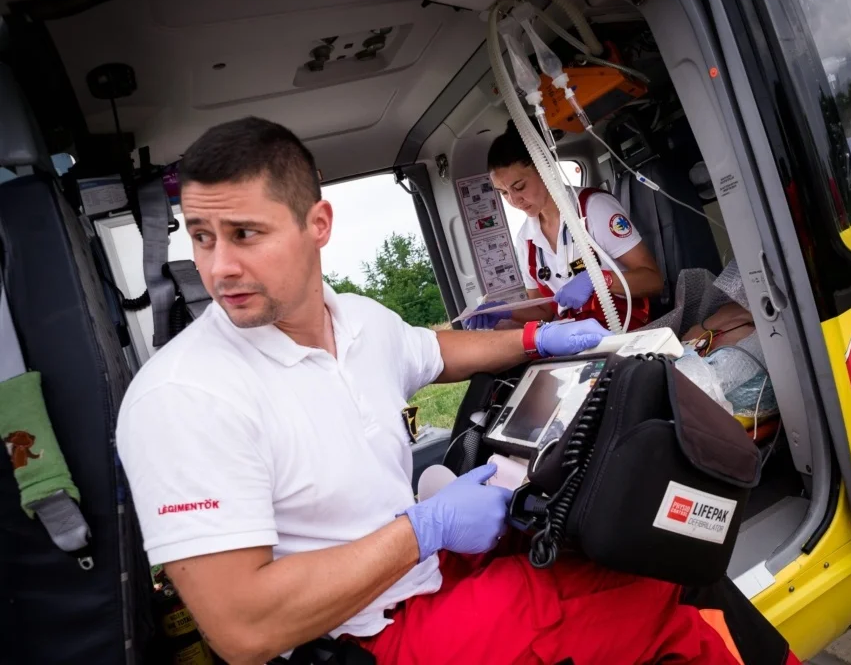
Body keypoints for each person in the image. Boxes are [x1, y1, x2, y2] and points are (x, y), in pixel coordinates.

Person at [115, 117, 786, 665]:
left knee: (654, 546)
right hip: (364, 641)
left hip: (423, 578)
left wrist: (536, 343)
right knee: (660, 596)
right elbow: (243, 630)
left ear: (317, 225)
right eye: (201, 238)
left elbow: (436, 349)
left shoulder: (354, 320)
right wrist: (424, 528)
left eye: (245, 234)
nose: (218, 267)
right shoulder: (183, 396)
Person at [463, 120, 663, 332]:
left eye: (519, 186)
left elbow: (653, 280)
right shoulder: (526, 240)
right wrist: (506, 311)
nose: (514, 200)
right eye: (503, 193)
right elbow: (544, 312)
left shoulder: (593, 208)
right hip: (577, 339)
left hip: (628, 332)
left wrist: (599, 280)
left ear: (545, 169)